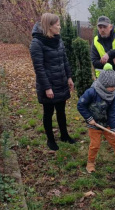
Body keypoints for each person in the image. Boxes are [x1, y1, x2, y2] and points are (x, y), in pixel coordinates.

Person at [30, 13, 75, 151]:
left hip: (61, 81)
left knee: (61, 111)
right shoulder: (37, 43)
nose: (60, 26)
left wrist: (69, 77)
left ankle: (64, 135)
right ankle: (50, 140)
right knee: (48, 112)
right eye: (57, 24)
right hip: (48, 84)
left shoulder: (58, 40)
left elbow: (64, 60)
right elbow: (39, 68)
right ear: (49, 26)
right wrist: (47, 87)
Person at [77, 65, 115, 173]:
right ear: (103, 85)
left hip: (106, 123)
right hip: (94, 123)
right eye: (111, 87)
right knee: (95, 144)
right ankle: (91, 162)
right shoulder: (91, 92)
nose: (113, 89)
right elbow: (80, 105)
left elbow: (113, 111)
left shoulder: (113, 95)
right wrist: (89, 118)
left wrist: (114, 127)